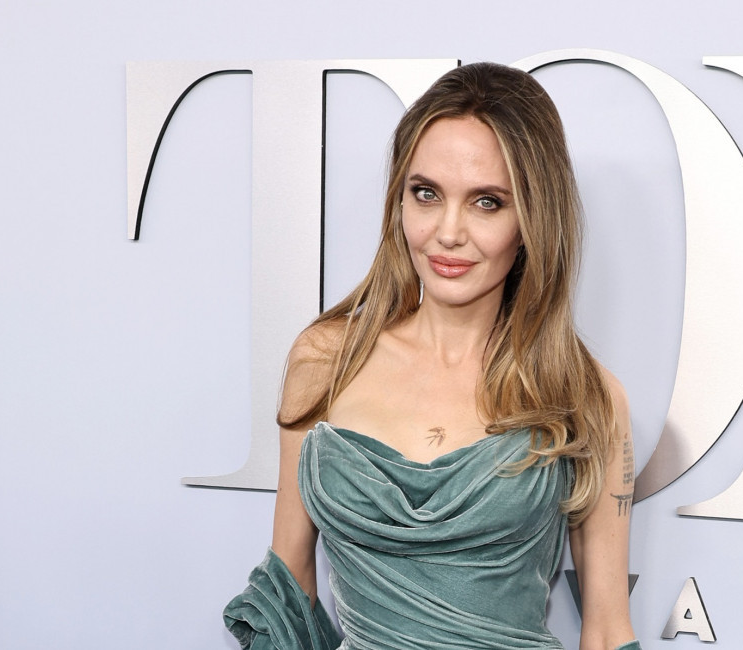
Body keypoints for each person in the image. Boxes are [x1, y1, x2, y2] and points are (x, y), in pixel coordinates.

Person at [224, 62, 640, 650]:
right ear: (399, 200)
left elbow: (606, 629)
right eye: (426, 194)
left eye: (487, 202)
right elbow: (290, 588)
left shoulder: (586, 396)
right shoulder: (324, 360)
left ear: (531, 220)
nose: (448, 232)